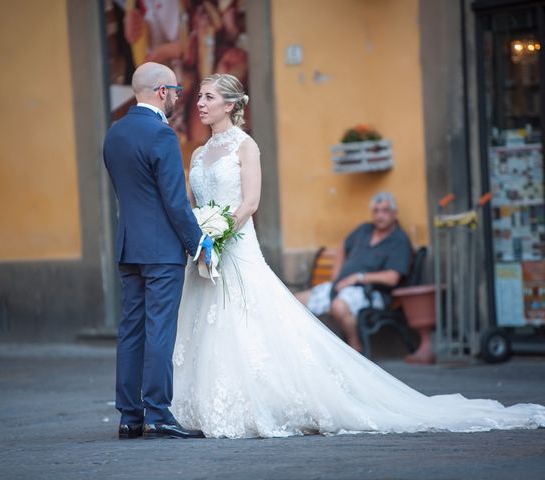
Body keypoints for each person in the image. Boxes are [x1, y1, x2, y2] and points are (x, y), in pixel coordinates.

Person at [170, 73, 545, 438]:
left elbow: (250, 202)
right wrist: (197, 238)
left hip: (235, 247)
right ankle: (212, 404)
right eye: (200, 97)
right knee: (210, 322)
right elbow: (193, 203)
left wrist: (217, 236)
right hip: (205, 255)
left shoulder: (245, 146)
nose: (200, 104)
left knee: (248, 319)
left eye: (208, 98)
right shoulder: (199, 153)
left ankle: (262, 403)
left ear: (230, 104)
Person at [103, 62, 213, 440]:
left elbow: (129, 196)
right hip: (162, 251)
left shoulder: (114, 134)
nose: (179, 97)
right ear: (162, 92)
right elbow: (174, 200)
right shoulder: (161, 136)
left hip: (128, 247)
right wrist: (197, 242)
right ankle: (159, 413)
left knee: (131, 330)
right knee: (159, 328)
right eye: (178, 90)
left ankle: (130, 417)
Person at [294, 192, 413, 352]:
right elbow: (344, 244)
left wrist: (359, 278)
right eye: (376, 211)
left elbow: (392, 278)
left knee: (339, 306)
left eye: (385, 211)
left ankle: (355, 348)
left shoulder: (399, 240)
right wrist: (337, 271)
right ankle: (304, 350)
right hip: (339, 286)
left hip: (370, 293)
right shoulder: (365, 229)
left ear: (394, 213)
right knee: (295, 300)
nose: (379, 216)